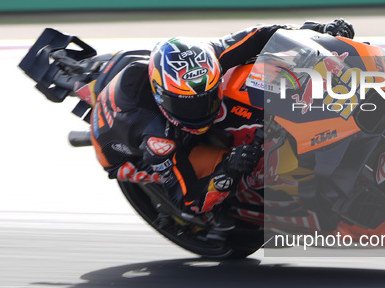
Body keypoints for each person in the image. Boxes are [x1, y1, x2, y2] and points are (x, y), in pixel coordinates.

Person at [90, 19, 355, 236]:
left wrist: (318, 31)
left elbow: (265, 34)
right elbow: (190, 200)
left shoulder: (211, 55)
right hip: (127, 154)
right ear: (162, 97)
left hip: (147, 89)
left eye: (207, 97)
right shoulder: (157, 138)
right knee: (238, 169)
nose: (202, 109)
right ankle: (220, 219)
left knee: (257, 73)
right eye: (189, 105)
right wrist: (229, 169)